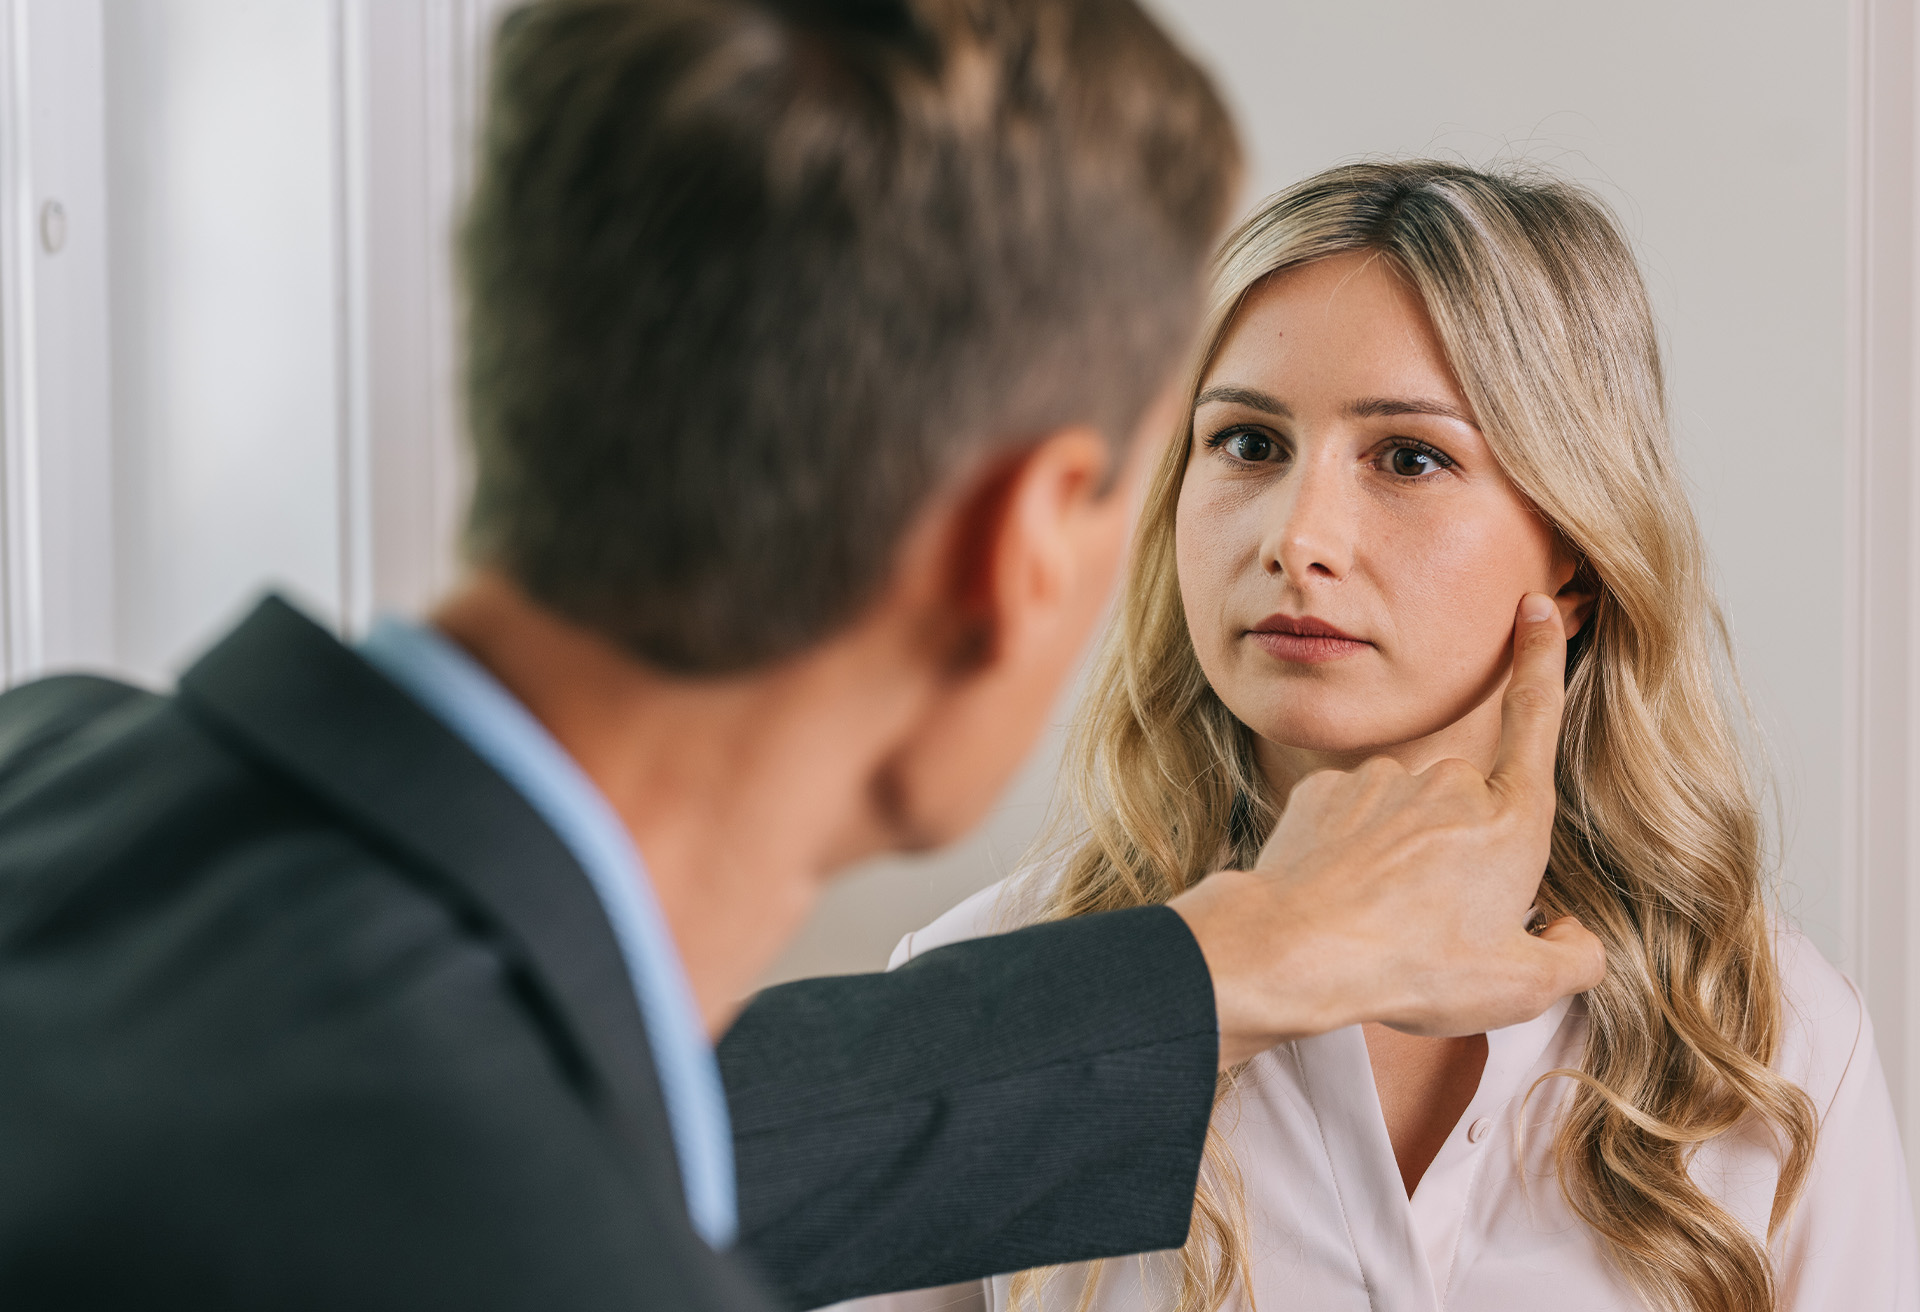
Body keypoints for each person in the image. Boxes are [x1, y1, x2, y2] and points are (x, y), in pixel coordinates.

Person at [0, 7, 1602, 1310]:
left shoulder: (48, 778)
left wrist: (1231, 958)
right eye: (1219, 446)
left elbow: (536, 1120)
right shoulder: (543, 1243)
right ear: (1023, 543)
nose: (1294, 534)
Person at [843, 161, 1919, 1312]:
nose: (1297, 537)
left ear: (1576, 537)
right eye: (1248, 443)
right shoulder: (987, 986)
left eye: (1409, 457)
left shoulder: (1768, 1037)